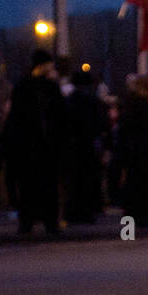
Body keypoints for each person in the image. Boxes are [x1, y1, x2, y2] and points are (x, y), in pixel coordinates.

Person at [5, 49, 65, 236]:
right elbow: (60, 116)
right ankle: (49, 223)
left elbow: (15, 117)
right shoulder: (50, 88)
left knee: (28, 185)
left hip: (29, 143)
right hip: (44, 143)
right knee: (47, 185)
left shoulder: (23, 86)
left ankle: (27, 222)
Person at [114, 75, 148, 228]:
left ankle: (131, 221)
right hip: (141, 151)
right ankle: (142, 218)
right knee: (141, 185)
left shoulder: (131, 102)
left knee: (134, 184)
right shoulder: (142, 103)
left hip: (134, 151)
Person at [62, 68, 106, 225]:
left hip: (73, 145)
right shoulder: (93, 101)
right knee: (87, 180)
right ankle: (86, 211)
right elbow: (100, 123)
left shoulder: (70, 101)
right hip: (88, 144)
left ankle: (73, 212)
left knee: (74, 182)